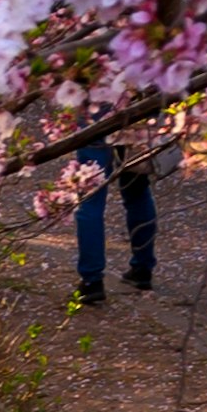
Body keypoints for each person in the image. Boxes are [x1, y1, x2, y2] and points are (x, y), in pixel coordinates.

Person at [71, 126, 159, 311]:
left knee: (90, 199)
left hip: (96, 113)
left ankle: (92, 280)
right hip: (137, 110)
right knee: (138, 191)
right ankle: (142, 269)